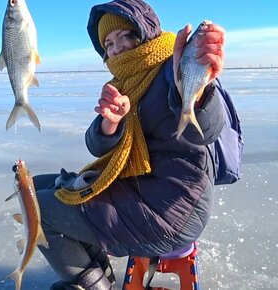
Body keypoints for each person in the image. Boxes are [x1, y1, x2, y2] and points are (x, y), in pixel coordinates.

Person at [32, 0, 227, 289]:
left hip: (173, 207)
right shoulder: (124, 81)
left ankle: (92, 285)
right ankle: (98, 272)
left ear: (145, 31)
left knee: (35, 209)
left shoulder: (175, 66)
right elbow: (96, 146)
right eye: (108, 43)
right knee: (34, 187)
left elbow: (206, 131)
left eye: (125, 35)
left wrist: (198, 94)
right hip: (139, 188)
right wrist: (110, 124)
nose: (117, 47)